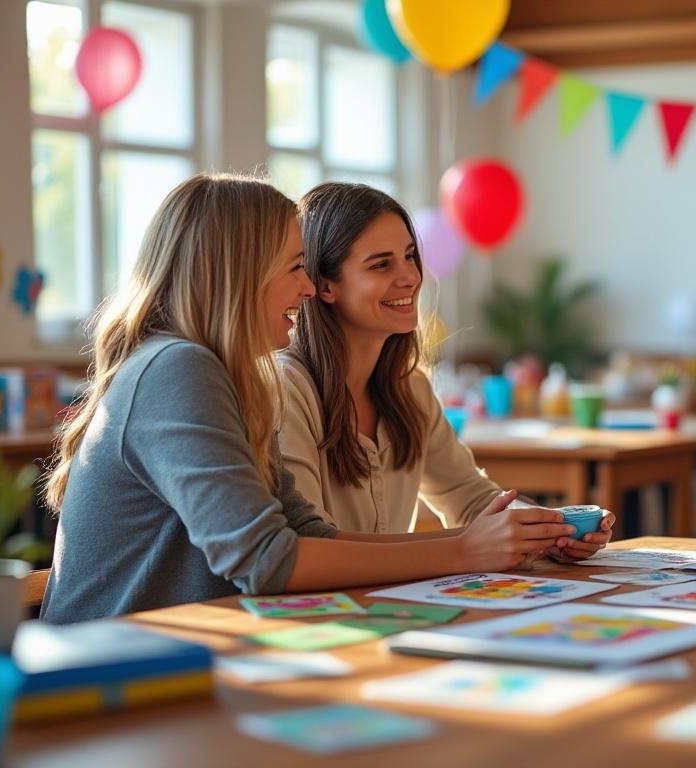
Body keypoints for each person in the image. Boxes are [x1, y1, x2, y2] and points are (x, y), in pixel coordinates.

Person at [41, 174, 577, 624]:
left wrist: (498, 540)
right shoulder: (177, 368)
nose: (305, 288)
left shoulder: (227, 376)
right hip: (109, 680)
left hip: (182, 657)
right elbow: (267, 561)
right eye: (295, 266)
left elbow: (306, 534)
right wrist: (462, 550)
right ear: (240, 271)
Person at [278, 181, 613, 559]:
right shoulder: (287, 389)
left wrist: (550, 531)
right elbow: (308, 544)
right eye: (381, 264)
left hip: (394, 605)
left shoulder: (410, 388)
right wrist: (463, 547)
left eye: (409, 256)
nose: (410, 276)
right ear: (323, 285)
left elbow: (469, 498)